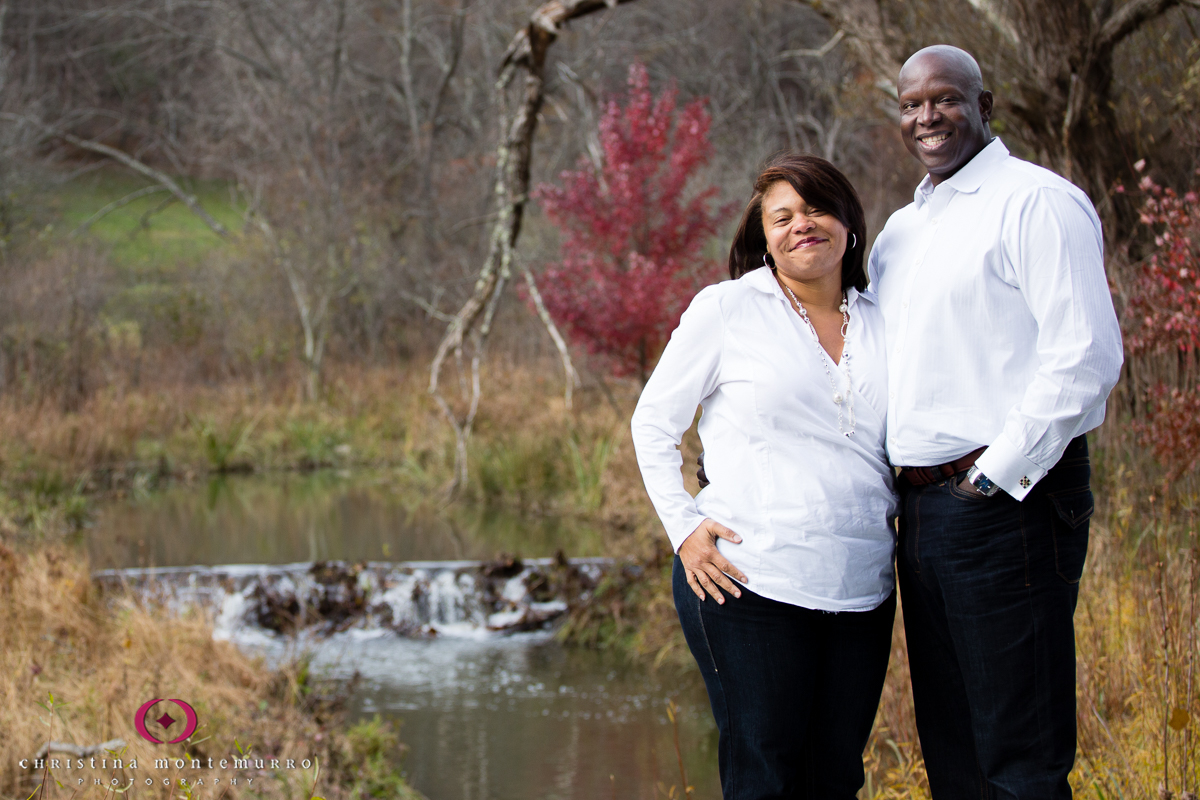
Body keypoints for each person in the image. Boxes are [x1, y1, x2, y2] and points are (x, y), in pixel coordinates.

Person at [871, 46, 1123, 796]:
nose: (926, 117)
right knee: (953, 751)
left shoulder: (1035, 201)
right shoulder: (900, 231)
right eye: (912, 104)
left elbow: (1084, 355)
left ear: (987, 106)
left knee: (1020, 753)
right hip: (919, 513)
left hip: (1005, 502)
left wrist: (994, 477)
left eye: (944, 99)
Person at [631, 154, 897, 799]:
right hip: (748, 582)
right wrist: (685, 528)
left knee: (835, 777)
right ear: (764, 235)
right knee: (763, 776)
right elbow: (654, 424)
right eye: (783, 217)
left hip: (862, 587)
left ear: (849, 224)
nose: (801, 225)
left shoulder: (886, 318)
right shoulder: (728, 309)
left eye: (815, 209)